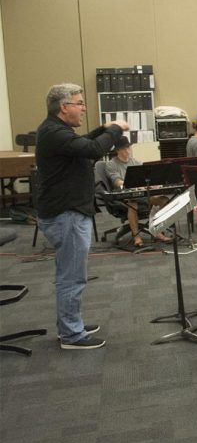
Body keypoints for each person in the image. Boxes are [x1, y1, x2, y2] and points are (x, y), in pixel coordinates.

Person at [35, 83, 128, 350]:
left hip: (68, 213)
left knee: (71, 274)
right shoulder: (54, 132)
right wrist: (114, 129)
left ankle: (70, 324)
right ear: (64, 107)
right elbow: (92, 150)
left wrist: (104, 130)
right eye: (79, 103)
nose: (84, 108)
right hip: (66, 216)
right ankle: (72, 335)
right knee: (72, 277)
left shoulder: (56, 131)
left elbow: (85, 142)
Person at [103, 137, 171, 248]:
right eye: (124, 149)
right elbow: (117, 181)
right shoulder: (111, 164)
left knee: (163, 200)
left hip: (142, 194)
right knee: (132, 202)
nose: (127, 151)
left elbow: (146, 179)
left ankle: (158, 230)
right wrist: (129, 184)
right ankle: (136, 236)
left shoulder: (136, 162)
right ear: (118, 150)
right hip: (123, 196)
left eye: (128, 148)